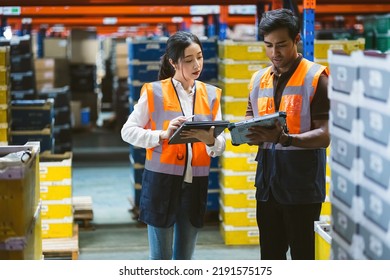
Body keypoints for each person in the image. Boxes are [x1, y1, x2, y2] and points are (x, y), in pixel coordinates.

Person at [121, 31, 226, 260]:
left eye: (199, 56)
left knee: (184, 260)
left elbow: (219, 145)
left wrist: (211, 140)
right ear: (173, 62)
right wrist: (162, 134)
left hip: (195, 184)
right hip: (162, 184)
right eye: (188, 60)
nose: (196, 64)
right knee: (160, 260)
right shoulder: (154, 92)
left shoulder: (211, 94)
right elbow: (127, 132)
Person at [244, 8, 330, 260]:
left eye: (281, 45)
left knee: (303, 256)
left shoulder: (316, 78)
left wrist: (285, 138)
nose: (274, 53)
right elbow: (250, 117)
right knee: (270, 256)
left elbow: (325, 135)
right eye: (268, 45)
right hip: (267, 185)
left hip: (302, 185)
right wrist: (246, 132)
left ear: (297, 39)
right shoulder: (259, 79)